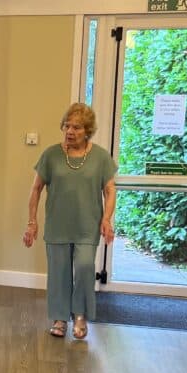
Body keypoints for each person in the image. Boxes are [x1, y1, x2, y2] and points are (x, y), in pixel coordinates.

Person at [23, 103, 117, 340]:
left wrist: (106, 219)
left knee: (85, 268)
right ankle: (59, 318)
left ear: (88, 130)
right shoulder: (51, 155)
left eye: (76, 127)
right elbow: (35, 189)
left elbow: (110, 190)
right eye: (67, 126)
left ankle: (80, 315)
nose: (70, 131)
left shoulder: (100, 157)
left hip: (87, 226)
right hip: (58, 225)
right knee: (59, 272)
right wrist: (32, 222)